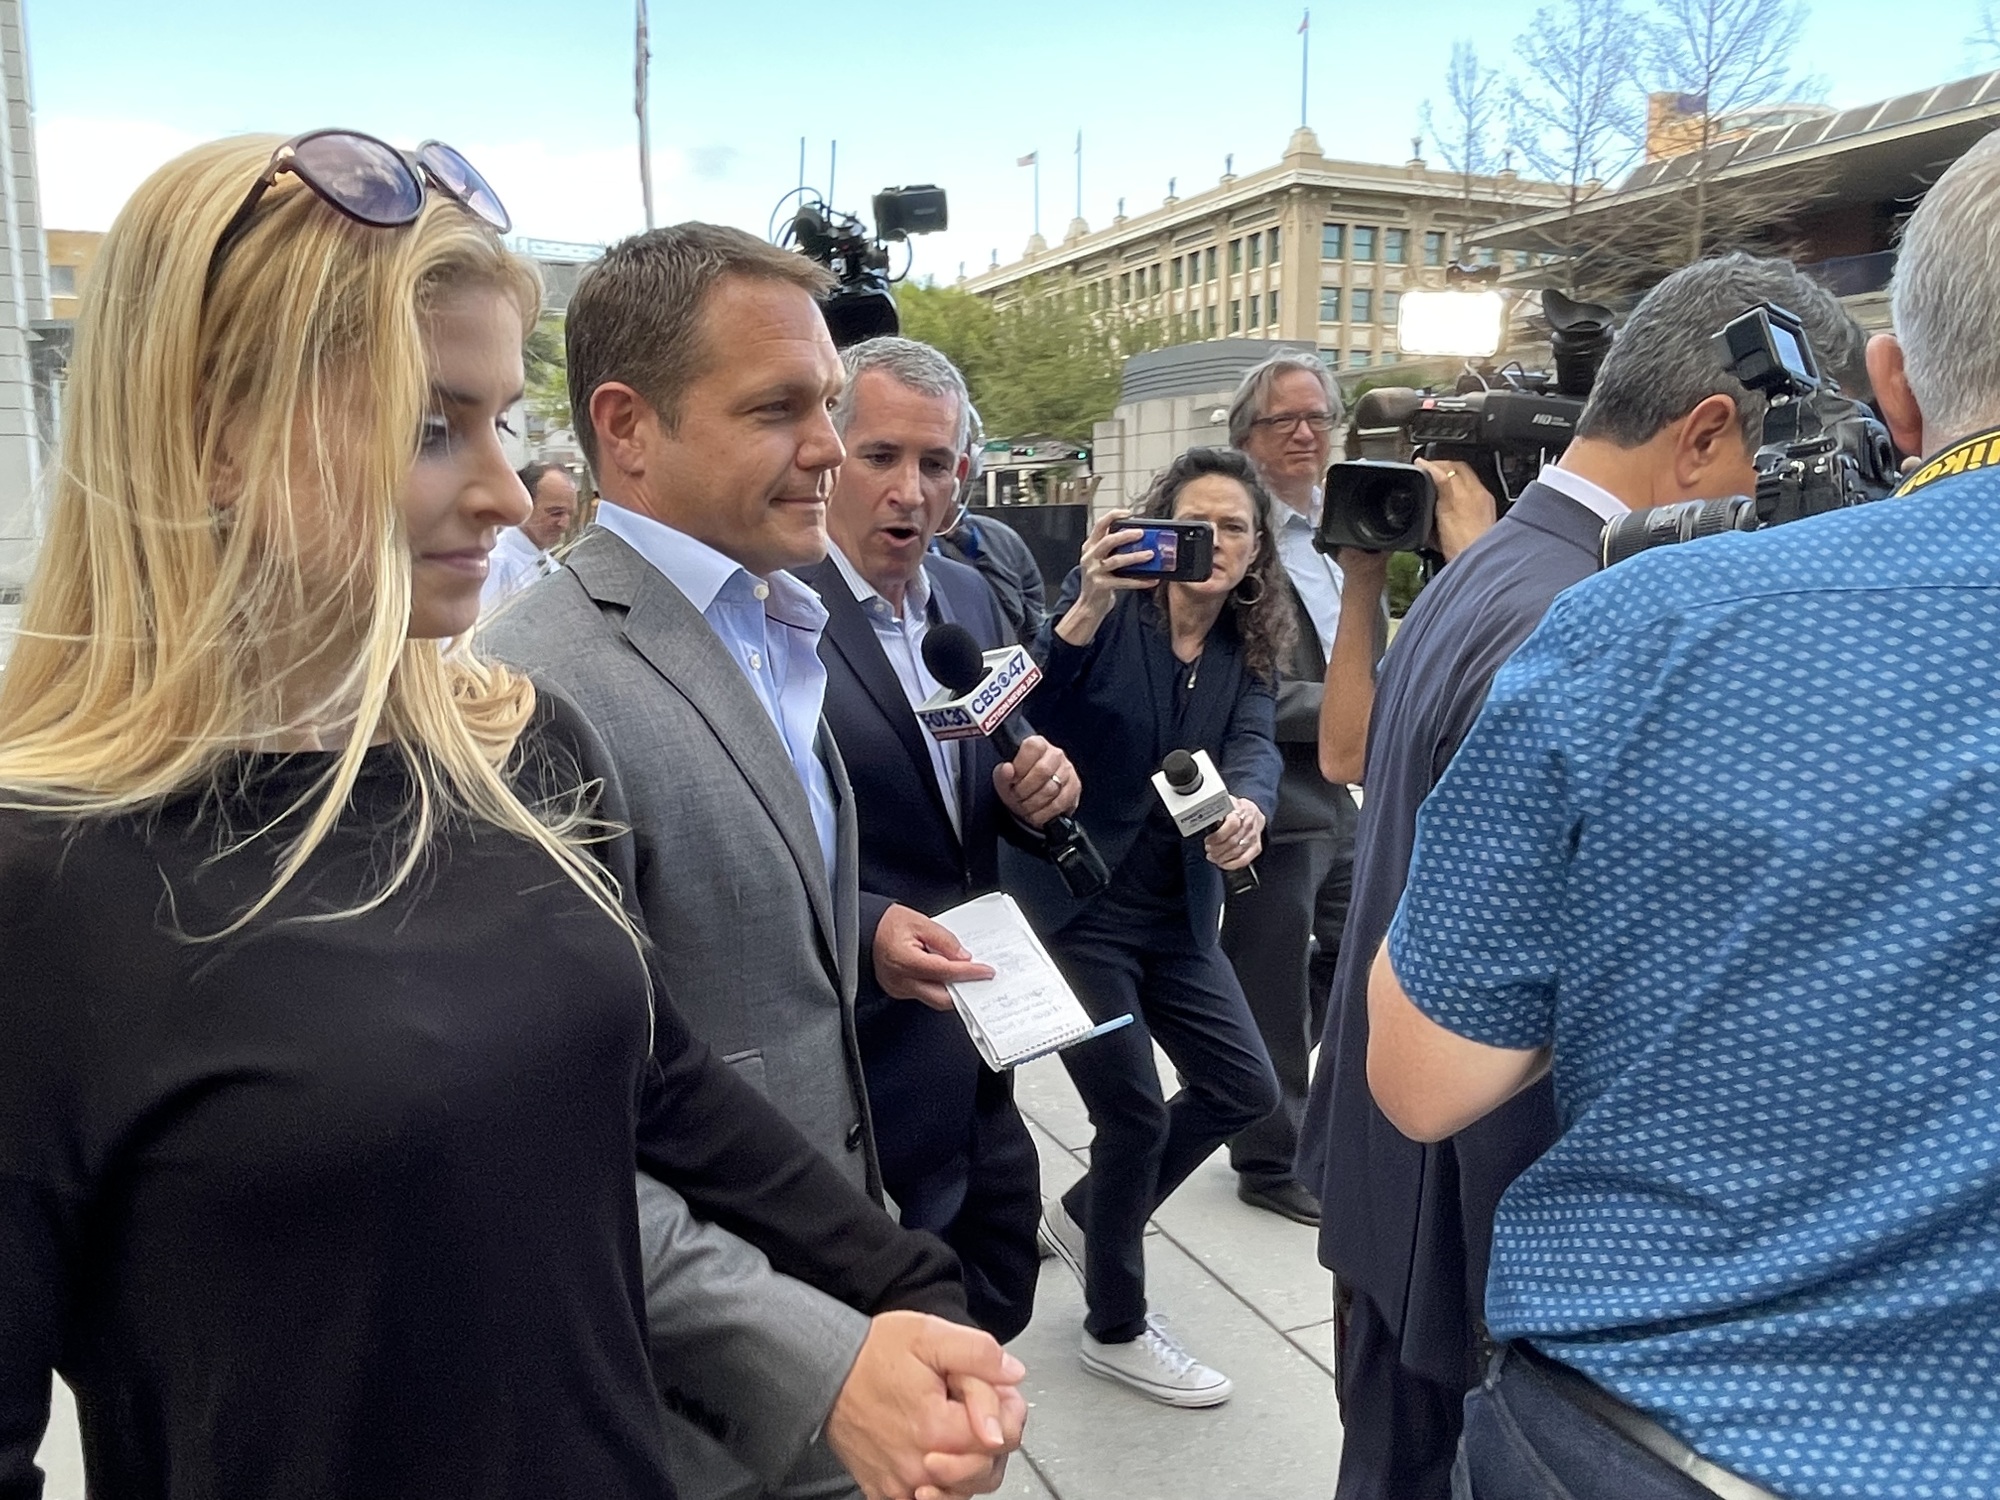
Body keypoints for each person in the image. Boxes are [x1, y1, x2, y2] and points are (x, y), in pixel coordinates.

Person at [0, 132, 1019, 1500]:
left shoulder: (513, 749)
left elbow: (651, 1082)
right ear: (212, 434)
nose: (497, 491)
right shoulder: (41, 882)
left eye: (494, 420)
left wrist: (898, 1288)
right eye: (431, 426)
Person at [1369, 152, 2000, 1499]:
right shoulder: (1560, 593)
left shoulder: (1625, 616)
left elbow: (1424, 1059)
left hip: (1659, 1416)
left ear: (1900, 382)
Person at [1295, 252, 1871, 1500]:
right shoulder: (1589, 608)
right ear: (1708, 428)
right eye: (1785, 463)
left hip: (1394, 1197)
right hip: (1467, 1225)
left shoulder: (1502, 562)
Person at [482, 224, 1025, 1500]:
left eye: (828, 405)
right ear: (627, 428)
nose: (831, 451)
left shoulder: (774, 627)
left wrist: (855, 932)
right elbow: (556, 1145)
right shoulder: (526, 687)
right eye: (780, 408)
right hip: (708, 1412)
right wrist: (820, 1368)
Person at [797, 336, 1080, 1343]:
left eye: (935, 464)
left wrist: (1031, 791)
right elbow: (758, 832)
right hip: (855, 1049)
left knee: (995, 1294)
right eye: (880, 457)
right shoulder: (771, 610)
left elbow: (982, 765)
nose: (910, 491)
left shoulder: (967, 597)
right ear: (827, 452)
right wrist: (868, 925)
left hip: (980, 1034)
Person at [1008, 446, 1284, 1407]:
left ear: (1255, 551)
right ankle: (1114, 1324)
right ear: (1161, 528)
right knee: (1127, 1114)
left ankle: (1091, 1214)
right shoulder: (1106, 614)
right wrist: (1081, 605)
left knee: (1246, 1085)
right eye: (1197, 522)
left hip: (1177, 913)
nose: (1216, 542)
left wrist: (1248, 808)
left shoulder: (1245, 651)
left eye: (1236, 527)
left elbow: (1254, 749)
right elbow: (1028, 701)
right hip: (1079, 907)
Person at [480, 460, 578, 608]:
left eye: (569, 514)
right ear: (523, 505)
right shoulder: (495, 564)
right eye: (555, 513)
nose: (564, 524)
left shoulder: (552, 566)